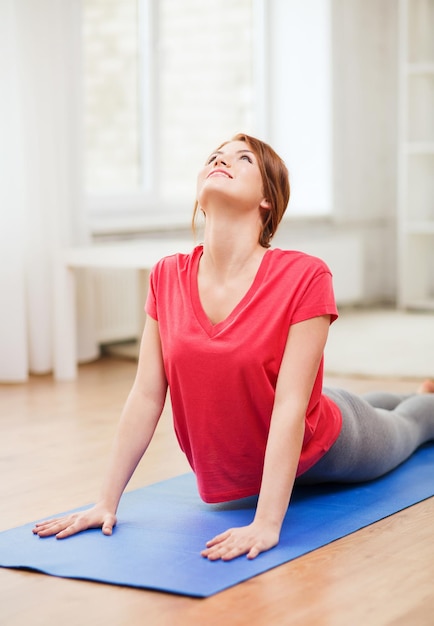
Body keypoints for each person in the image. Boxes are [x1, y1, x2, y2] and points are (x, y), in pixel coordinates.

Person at [33, 133, 434, 561]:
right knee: (380, 403)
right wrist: (105, 501)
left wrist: (266, 523)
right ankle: (418, 391)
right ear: (201, 197)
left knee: (408, 428)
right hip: (280, 422)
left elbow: (290, 406)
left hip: (324, 443)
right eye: (215, 156)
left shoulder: (305, 275)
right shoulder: (166, 277)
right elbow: (147, 395)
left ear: (267, 200)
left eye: (243, 159)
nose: (222, 161)